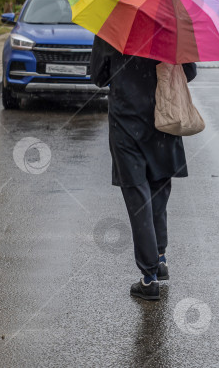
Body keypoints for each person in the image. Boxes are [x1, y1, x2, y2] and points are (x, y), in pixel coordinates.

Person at [89, 36, 197, 301]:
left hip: (126, 123)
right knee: (159, 188)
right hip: (164, 117)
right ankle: (159, 259)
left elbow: (98, 77)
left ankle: (149, 279)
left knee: (138, 196)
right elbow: (190, 72)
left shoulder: (113, 26)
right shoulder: (172, 24)